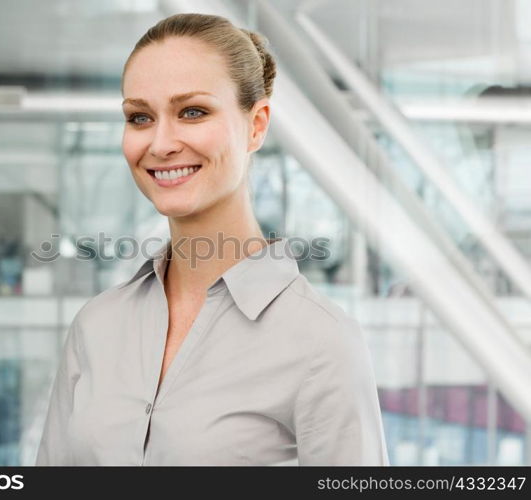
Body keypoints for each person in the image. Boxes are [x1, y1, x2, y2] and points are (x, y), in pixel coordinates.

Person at [36, 12, 389, 466]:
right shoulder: (96, 326)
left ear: (257, 125)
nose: (161, 143)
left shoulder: (320, 341)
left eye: (193, 112)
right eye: (140, 117)